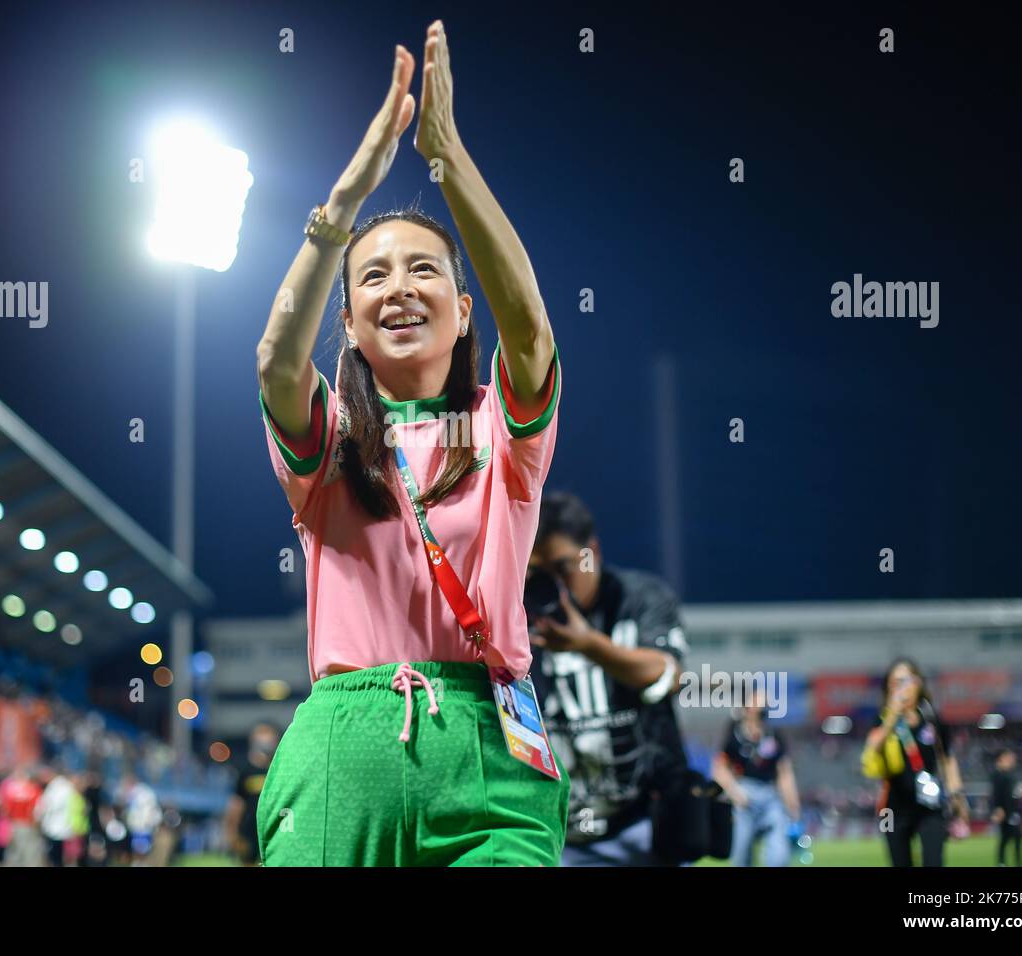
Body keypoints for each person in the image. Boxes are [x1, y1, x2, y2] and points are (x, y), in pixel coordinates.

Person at [254, 22, 568, 867]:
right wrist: (344, 205)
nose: (400, 287)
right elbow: (278, 362)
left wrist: (448, 157)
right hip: (341, 748)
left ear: (465, 309)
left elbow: (532, 330)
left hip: (488, 742)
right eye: (375, 276)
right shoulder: (331, 447)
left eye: (426, 269)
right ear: (349, 325)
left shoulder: (502, 437)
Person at [526, 492, 689, 866]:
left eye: (563, 567)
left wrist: (588, 645)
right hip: (559, 833)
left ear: (592, 551)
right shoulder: (519, 611)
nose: (555, 586)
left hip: (646, 825)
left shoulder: (640, 598)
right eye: (540, 574)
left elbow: (666, 674)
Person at [861, 658, 968, 866]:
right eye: (895, 682)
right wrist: (892, 715)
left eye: (905, 681)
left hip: (930, 805)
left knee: (933, 861)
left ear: (917, 683)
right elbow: (873, 748)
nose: (901, 687)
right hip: (894, 808)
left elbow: (948, 758)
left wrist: (957, 796)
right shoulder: (882, 720)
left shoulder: (932, 719)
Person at [712, 691, 801, 867]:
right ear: (747, 708)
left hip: (770, 796)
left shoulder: (773, 735)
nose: (762, 708)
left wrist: (793, 804)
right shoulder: (734, 735)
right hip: (744, 797)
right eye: (757, 703)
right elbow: (719, 768)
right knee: (741, 856)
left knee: (778, 856)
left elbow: (784, 772)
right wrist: (734, 792)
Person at [223, 725, 279, 865]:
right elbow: (237, 803)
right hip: (248, 830)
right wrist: (232, 832)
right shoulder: (245, 770)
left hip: (272, 828)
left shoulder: (278, 769)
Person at [36, 766, 78, 867]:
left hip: (56, 828)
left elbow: (47, 806)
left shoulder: (57, 787)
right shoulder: (67, 787)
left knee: (56, 857)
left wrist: (38, 815)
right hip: (66, 827)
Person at [990, 748, 1022, 867]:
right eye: (1009, 757)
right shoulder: (998, 774)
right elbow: (997, 794)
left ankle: (1005, 862)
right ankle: (1007, 862)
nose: (1012, 760)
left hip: (1011, 811)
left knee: (1012, 837)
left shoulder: (1008, 774)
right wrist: (998, 809)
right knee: (1012, 836)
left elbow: (1009, 793)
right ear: (1002, 757)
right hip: (1005, 811)